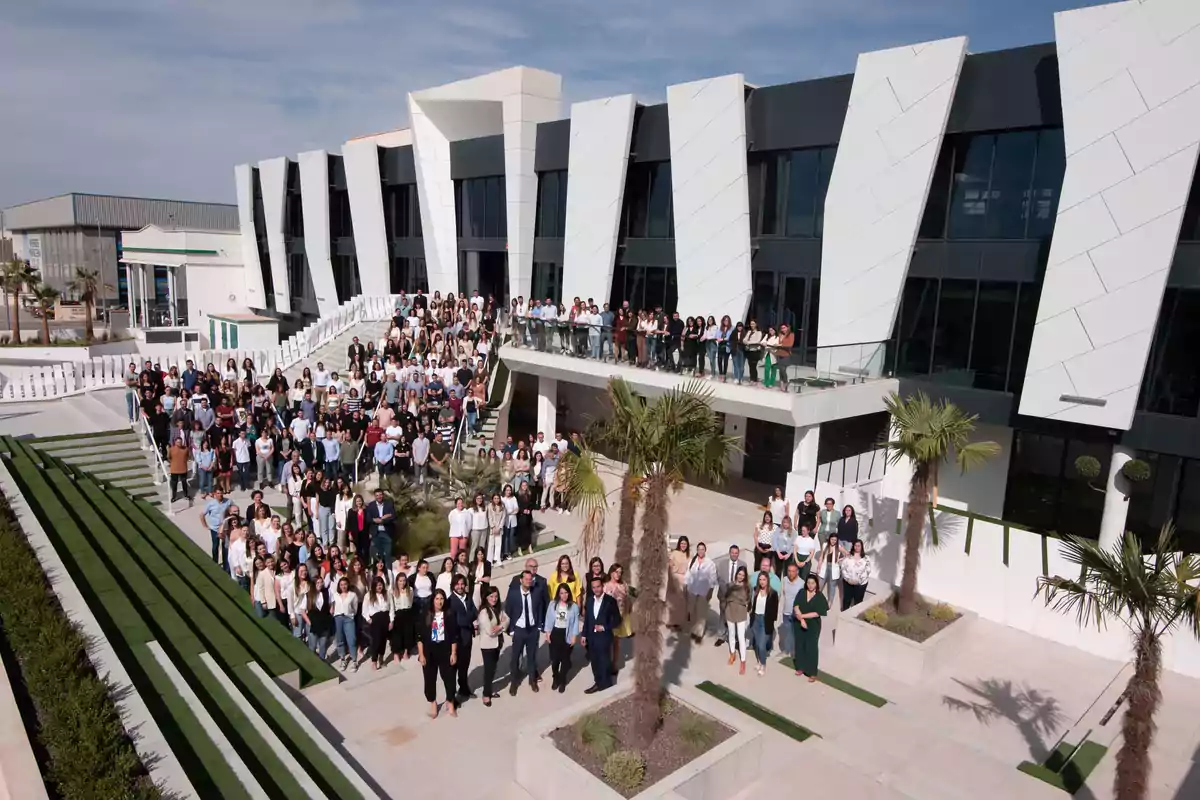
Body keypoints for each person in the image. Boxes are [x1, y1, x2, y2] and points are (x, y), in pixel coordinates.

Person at [416, 589, 459, 718]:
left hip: (445, 649)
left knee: (449, 678)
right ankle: (433, 704)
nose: (439, 602)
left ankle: (450, 702)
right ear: (433, 600)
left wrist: (453, 653)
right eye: (437, 599)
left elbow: (453, 636)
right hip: (429, 650)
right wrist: (421, 655)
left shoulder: (449, 614)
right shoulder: (426, 614)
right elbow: (419, 637)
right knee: (429, 679)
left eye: (442, 599)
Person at [504, 569, 548, 695]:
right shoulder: (513, 594)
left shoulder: (536, 592)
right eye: (526, 579)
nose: (529, 581)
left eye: (530, 579)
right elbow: (508, 611)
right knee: (515, 657)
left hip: (533, 630)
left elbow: (540, 608)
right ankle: (514, 682)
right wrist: (511, 629)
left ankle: (532, 680)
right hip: (519, 630)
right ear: (521, 580)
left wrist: (539, 626)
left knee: (532, 656)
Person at [581, 575, 621, 694]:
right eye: (594, 587)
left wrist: (604, 627)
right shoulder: (589, 601)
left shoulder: (610, 601)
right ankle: (598, 683)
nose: (596, 589)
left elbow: (617, 620)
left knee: (604, 662)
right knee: (595, 662)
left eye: (598, 587)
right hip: (591, 638)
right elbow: (587, 620)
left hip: (604, 637)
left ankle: (607, 686)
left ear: (602, 586)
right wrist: (583, 635)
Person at [542, 584, 579, 693]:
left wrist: (574, 636)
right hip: (555, 633)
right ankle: (556, 677)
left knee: (565, 660)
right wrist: (547, 632)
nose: (564, 595)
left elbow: (576, 623)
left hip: (566, 634)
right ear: (558, 594)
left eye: (566, 592)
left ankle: (563, 681)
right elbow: (548, 618)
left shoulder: (573, 606)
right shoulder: (553, 604)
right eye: (562, 593)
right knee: (554, 660)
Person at [793, 575, 829, 682]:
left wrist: (802, 616)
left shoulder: (819, 596)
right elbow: (796, 606)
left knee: (811, 647)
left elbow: (817, 613)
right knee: (800, 645)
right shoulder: (801, 592)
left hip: (813, 625)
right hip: (799, 623)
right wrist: (801, 620)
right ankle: (800, 667)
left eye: (813, 583)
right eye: (808, 583)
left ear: (816, 584)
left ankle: (812, 672)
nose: (810, 585)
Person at [476, 586, 508, 707]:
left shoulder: (498, 608)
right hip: (488, 646)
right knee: (489, 670)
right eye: (491, 596)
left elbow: (507, 619)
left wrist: (500, 625)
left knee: (493, 668)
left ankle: (489, 689)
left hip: (497, 644)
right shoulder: (484, 612)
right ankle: (486, 694)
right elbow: (490, 631)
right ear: (486, 597)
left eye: (496, 596)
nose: (494, 599)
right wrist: (502, 626)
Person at [448, 574, 477, 701]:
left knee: (465, 665)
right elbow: (458, 621)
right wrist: (468, 618)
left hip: (467, 637)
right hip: (456, 639)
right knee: (453, 669)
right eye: (457, 584)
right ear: (453, 585)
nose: (460, 586)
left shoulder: (468, 597)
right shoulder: (450, 601)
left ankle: (464, 688)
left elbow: (474, 612)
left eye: (462, 584)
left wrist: (467, 618)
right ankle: (452, 697)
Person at [715, 544, 747, 647]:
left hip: (736, 596)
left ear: (738, 554)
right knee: (723, 615)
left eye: (736, 553)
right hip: (724, 593)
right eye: (732, 553)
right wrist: (726, 590)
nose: (734, 554)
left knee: (735, 616)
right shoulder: (722, 563)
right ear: (729, 553)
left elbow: (744, 579)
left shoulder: (743, 564)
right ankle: (721, 636)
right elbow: (719, 578)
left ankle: (735, 638)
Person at [684, 542, 717, 644]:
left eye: (702, 549)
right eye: (699, 549)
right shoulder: (692, 561)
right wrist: (685, 586)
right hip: (693, 590)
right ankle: (694, 631)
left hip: (703, 592)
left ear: (705, 550)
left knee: (701, 614)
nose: (701, 551)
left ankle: (699, 634)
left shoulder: (710, 563)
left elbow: (713, 579)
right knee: (693, 612)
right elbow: (688, 575)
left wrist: (710, 591)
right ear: (697, 550)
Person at [748, 570, 779, 676]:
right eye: (760, 580)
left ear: (767, 581)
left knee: (762, 645)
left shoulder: (773, 593)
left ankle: (763, 665)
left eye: (764, 580)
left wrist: (771, 622)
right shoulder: (755, 590)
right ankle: (759, 662)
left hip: (765, 621)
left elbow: (775, 610)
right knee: (756, 643)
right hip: (756, 619)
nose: (762, 582)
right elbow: (751, 603)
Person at [604, 564, 632, 672]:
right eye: (616, 572)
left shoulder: (624, 584)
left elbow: (633, 595)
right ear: (611, 572)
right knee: (608, 642)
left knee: (616, 642)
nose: (618, 574)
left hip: (621, 616)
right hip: (609, 617)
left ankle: (614, 664)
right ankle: (606, 662)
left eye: (620, 572)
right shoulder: (605, 586)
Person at [724, 566, 751, 674]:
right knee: (731, 634)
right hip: (730, 611)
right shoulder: (730, 585)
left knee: (741, 637)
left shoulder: (746, 587)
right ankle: (732, 654)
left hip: (741, 612)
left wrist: (738, 600)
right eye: (739, 574)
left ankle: (743, 661)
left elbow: (747, 601)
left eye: (743, 575)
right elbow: (726, 597)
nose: (740, 577)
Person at [363, 576, 392, 670]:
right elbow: (364, 610)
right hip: (375, 619)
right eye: (377, 585)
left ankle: (381, 658)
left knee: (383, 640)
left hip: (385, 618)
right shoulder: (368, 595)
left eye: (380, 585)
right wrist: (368, 619)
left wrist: (391, 620)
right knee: (376, 641)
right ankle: (374, 660)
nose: (379, 587)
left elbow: (392, 608)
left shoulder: (387, 593)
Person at [332, 576, 360, 672]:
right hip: (338, 618)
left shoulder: (352, 595)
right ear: (339, 586)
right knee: (340, 639)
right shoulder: (335, 595)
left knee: (351, 639)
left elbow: (355, 609)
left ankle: (354, 660)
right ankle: (343, 659)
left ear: (348, 585)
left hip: (348, 618)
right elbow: (333, 606)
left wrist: (350, 615)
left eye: (345, 584)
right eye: (341, 585)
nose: (343, 586)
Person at [200, 489, 231, 568]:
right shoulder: (211, 504)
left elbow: (235, 509)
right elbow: (202, 514)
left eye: (221, 493)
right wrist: (205, 526)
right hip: (215, 529)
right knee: (215, 546)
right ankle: (215, 563)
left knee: (225, 547)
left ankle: (225, 565)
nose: (220, 495)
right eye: (218, 493)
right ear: (214, 494)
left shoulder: (228, 502)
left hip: (225, 528)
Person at [389, 572, 415, 662]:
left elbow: (411, 602)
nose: (402, 583)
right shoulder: (392, 591)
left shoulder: (410, 590)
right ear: (397, 581)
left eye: (404, 580)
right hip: (398, 614)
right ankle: (396, 653)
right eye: (400, 581)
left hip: (408, 612)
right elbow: (391, 606)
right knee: (397, 635)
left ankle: (406, 652)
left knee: (408, 633)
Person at [667, 536, 690, 629]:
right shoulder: (674, 553)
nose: (683, 545)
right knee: (675, 602)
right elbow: (670, 567)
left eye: (685, 544)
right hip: (675, 578)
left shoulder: (689, 555)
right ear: (679, 544)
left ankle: (681, 620)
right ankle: (673, 622)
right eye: (682, 543)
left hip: (685, 579)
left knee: (683, 601)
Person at [840, 540, 871, 610]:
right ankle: (844, 613)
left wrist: (859, 581)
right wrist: (848, 579)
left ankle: (855, 615)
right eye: (855, 545)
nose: (856, 547)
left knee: (858, 601)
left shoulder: (866, 558)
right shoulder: (848, 557)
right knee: (847, 600)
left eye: (858, 546)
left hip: (861, 584)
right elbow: (843, 568)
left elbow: (868, 571)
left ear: (861, 547)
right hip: (848, 582)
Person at [368, 489, 395, 566]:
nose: (379, 497)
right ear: (374, 496)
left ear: (383, 495)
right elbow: (368, 518)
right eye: (377, 495)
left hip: (386, 532)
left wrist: (382, 520)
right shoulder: (371, 505)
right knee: (377, 554)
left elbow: (393, 516)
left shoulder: (389, 504)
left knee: (388, 553)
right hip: (376, 533)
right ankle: (378, 571)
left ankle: (388, 569)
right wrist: (374, 519)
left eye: (380, 495)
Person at [168, 437, 192, 506]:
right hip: (174, 470)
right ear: (175, 442)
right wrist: (173, 463)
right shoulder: (171, 449)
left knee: (184, 483)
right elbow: (169, 457)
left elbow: (188, 456)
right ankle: (174, 496)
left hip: (183, 469)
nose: (179, 443)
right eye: (178, 442)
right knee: (174, 484)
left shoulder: (186, 449)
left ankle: (186, 495)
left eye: (180, 442)